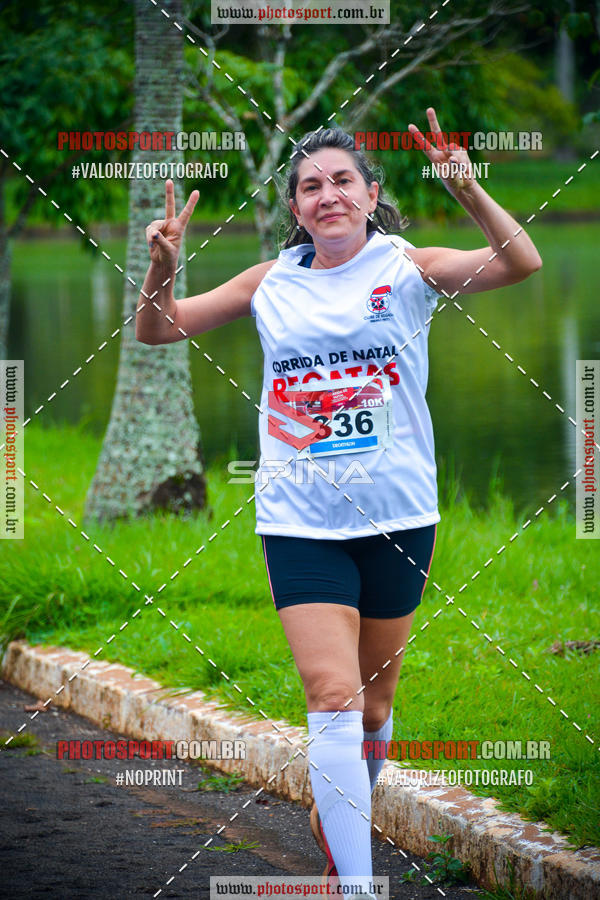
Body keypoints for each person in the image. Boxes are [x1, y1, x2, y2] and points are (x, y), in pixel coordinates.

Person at [136, 107, 542, 898]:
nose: (328, 195)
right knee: (331, 697)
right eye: (311, 186)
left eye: (342, 181)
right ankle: (356, 885)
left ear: (370, 193)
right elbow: (158, 330)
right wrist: (163, 268)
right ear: (296, 208)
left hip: (399, 518)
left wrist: (467, 189)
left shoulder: (407, 269)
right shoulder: (270, 283)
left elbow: (519, 261)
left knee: (374, 707)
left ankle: (345, 820)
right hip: (300, 520)